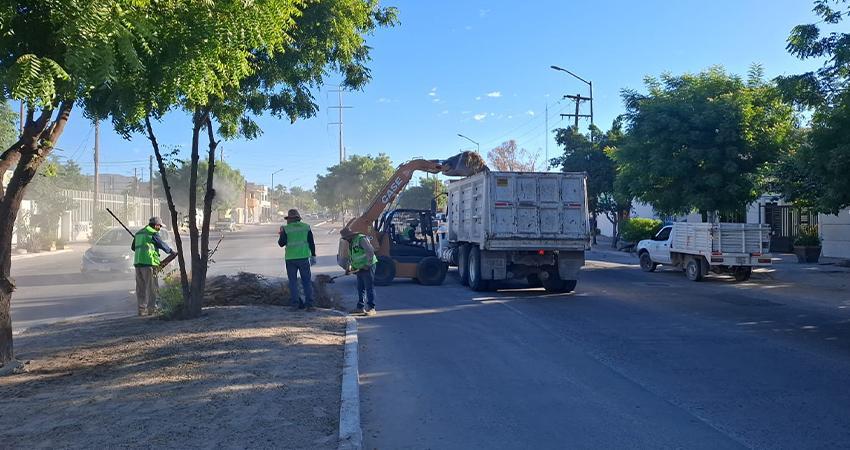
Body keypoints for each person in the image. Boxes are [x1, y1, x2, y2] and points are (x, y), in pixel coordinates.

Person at [131, 217, 176, 316]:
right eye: (160, 226)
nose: (160, 228)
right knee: (152, 288)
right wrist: (171, 252)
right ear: (156, 225)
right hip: (149, 264)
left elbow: (133, 247)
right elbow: (162, 245)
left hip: (138, 264)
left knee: (140, 288)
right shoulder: (152, 233)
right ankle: (152, 309)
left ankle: (141, 309)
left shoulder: (139, 233)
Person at [278, 209, 317, 311]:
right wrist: (313, 255)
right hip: (303, 258)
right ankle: (310, 305)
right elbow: (311, 242)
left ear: (289, 219)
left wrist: (281, 233)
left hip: (290, 259)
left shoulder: (286, 229)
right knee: (306, 282)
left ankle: (295, 305)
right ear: (298, 218)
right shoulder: (306, 227)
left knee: (293, 282)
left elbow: (281, 244)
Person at [341, 227, 378, 315]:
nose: (345, 240)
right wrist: (349, 268)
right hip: (360, 267)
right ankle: (360, 307)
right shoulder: (351, 243)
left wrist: (367, 264)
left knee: (369, 287)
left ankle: (371, 308)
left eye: (346, 238)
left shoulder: (361, 239)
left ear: (349, 236)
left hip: (368, 266)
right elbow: (352, 257)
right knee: (360, 288)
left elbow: (370, 251)